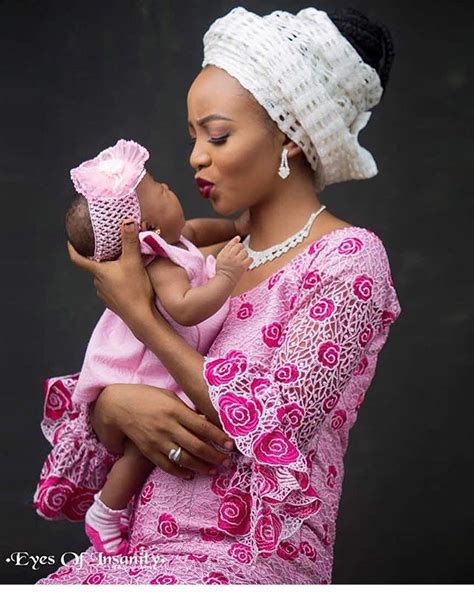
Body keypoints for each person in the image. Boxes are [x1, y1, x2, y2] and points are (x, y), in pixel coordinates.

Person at [34, 6, 401, 584]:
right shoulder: (196, 259)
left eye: (218, 134)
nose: (195, 157)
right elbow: (105, 443)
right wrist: (113, 405)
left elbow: (272, 427)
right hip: (134, 553)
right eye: (192, 137)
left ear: (290, 136)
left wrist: (137, 313)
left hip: (247, 560)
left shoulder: (348, 261)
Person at [49, 138, 252, 555]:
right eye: (158, 189)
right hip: (146, 374)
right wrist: (225, 278)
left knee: (154, 436)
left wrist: (236, 229)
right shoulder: (161, 266)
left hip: (157, 366)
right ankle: (107, 508)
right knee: (142, 449)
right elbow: (185, 309)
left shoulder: (176, 242)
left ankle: (111, 509)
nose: (167, 188)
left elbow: (196, 230)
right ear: (149, 232)